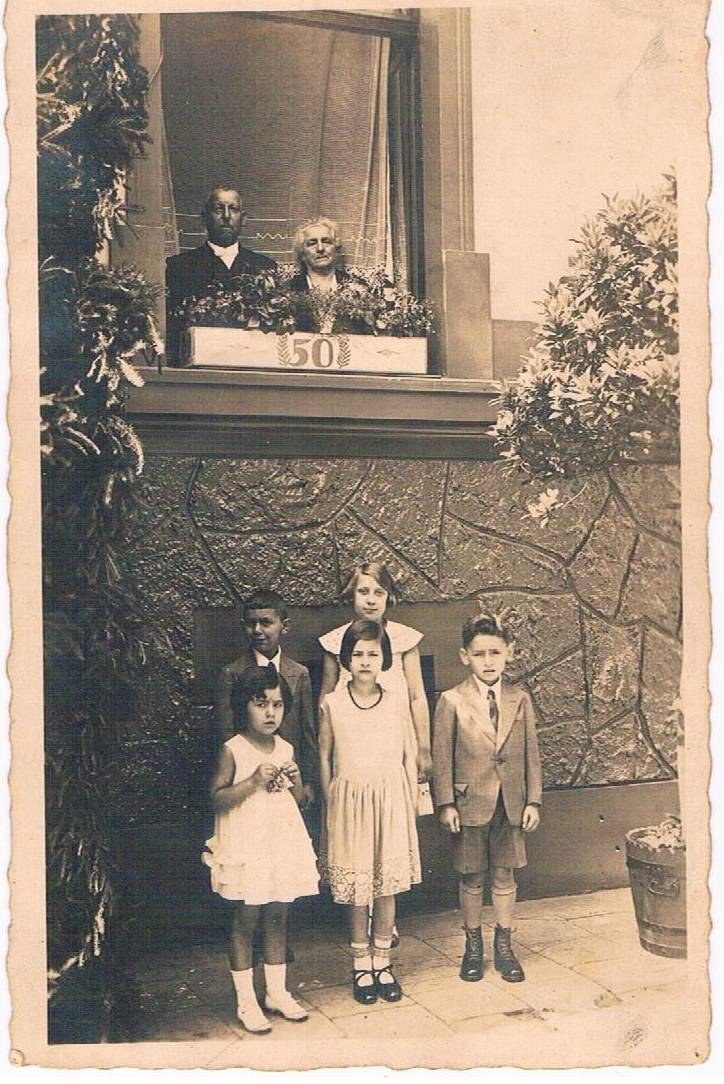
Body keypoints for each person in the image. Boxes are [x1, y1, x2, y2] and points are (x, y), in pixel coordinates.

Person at [203, 665, 319, 1033]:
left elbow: (297, 801)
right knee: (246, 919)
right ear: (244, 707)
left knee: (278, 916)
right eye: (261, 704)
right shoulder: (233, 749)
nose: (271, 713)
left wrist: (298, 784)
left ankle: (276, 993)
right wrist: (253, 781)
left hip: (280, 843)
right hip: (247, 845)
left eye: (278, 704)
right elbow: (217, 799)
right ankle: (246, 1000)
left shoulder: (285, 747)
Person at [432, 613, 542, 984]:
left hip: (510, 802)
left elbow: (531, 753)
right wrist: (446, 803)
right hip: (469, 803)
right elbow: (441, 756)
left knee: (504, 873)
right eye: (479, 654)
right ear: (465, 656)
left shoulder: (519, 699)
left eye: (495, 652)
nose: (488, 661)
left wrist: (533, 801)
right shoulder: (452, 700)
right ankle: (473, 946)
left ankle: (504, 945)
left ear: (508, 653)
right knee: (472, 876)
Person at [318, 620, 420, 1005]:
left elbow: (408, 752)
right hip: (351, 803)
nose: (365, 661)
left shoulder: (395, 699)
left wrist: (408, 798)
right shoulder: (333, 703)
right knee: (359, 887)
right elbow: (325, 755)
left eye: (373, 654)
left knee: (386, 885)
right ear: (346, 659)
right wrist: (332, 801)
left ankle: (383, 961)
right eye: (357, 654)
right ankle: (361, 963)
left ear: (384, 659)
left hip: (389, 799)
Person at [319, 562, 432, 782]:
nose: (371, 600)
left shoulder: (404, 639)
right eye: (363, 592)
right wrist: (327, 747)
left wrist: (424, 747)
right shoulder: (335, 642)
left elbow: (417, 697)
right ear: (352, 595)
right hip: (350, 741)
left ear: (388, 597)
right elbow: (325, 699)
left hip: (395, 738)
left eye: (378, 593)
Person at [218, 589, 317, 806]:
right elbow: (226, 731)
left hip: (288, 773)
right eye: (250, 623)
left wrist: (307, 780)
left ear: (285, 626)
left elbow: (307, 729)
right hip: (248, 775)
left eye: (265, 623)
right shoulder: (233, 673)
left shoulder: (299, 674)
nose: (257, 630)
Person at [165, 186, 277, 363]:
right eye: (218, 209)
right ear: (204, 218)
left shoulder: (264, 267)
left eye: (233, 209)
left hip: (251, 363)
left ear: (243, 219)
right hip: (200, 366)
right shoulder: (179, 266)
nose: (226, 216)